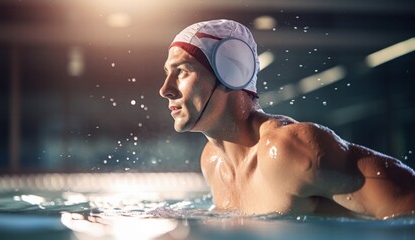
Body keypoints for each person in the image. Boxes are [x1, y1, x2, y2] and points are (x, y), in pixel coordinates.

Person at [159, 19, 415, 219]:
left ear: (231, 72)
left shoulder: (288, 150)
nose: (165, 89)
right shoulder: (213, 162)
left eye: (181, 71)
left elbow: (408, 202)